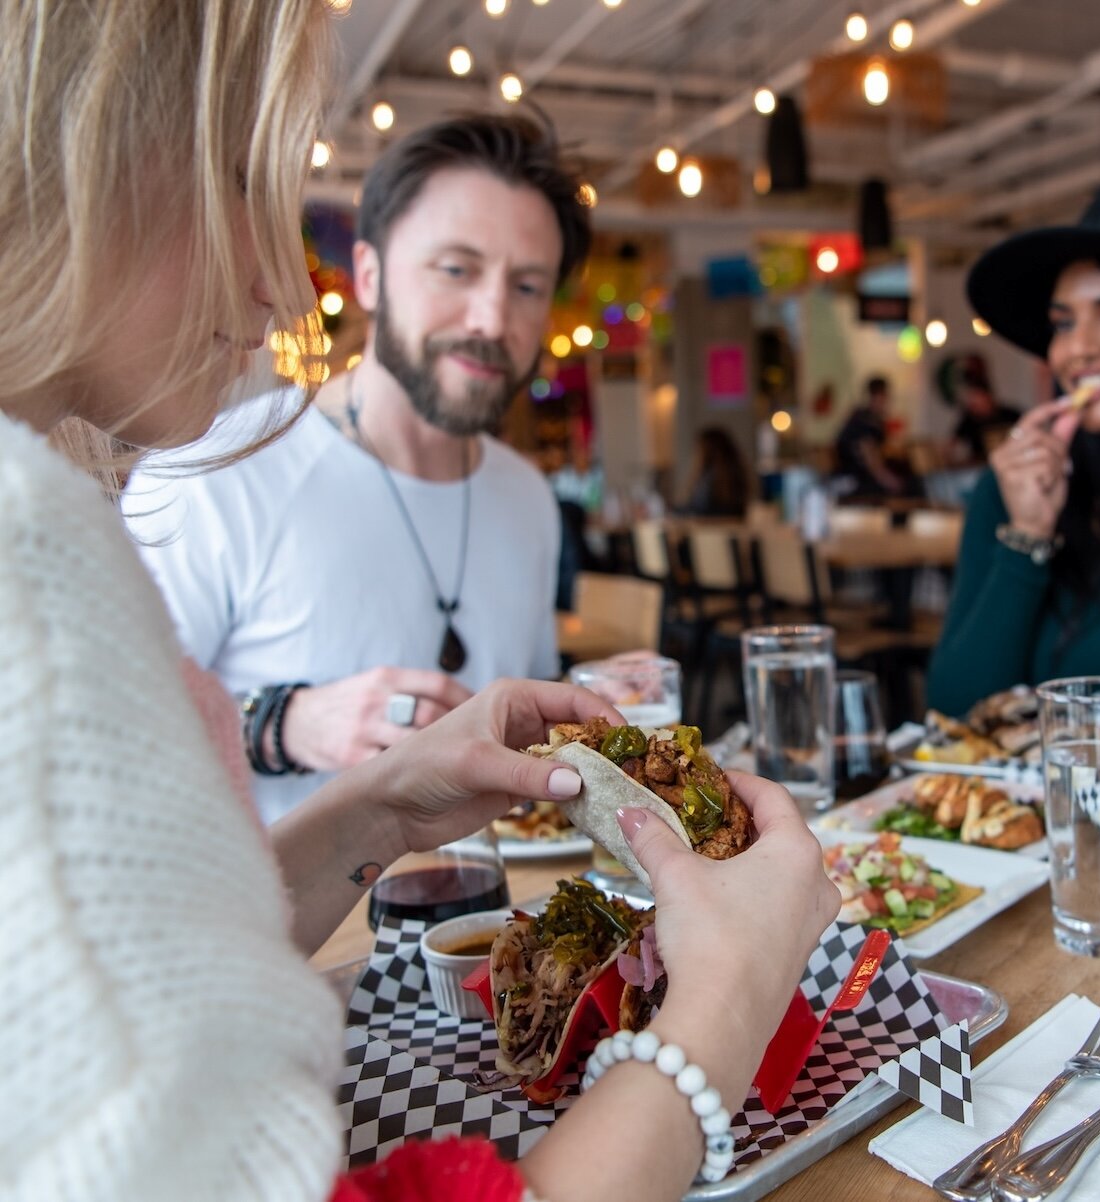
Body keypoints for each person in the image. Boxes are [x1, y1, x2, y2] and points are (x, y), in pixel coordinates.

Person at [1, 5, 840, 1202]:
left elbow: (164, 941)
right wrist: (728, 997)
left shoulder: (524, 498)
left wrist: (378, 811)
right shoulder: (79, 553)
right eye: (237, 180)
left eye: (529, 283)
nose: (273, 282)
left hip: (459, 985)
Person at [124, 112, 589, 823]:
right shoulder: (212, 472)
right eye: (456, 269)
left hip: (493, 924)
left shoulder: (527, 497)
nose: (492, 318)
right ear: (369, 276)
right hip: (275, 929)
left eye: (527, 286)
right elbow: (106, 740)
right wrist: (288, 724)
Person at [927, 189, 1100, 714]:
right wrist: (1027, 536)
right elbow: (957, 709)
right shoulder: (1019, 487)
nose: (1077, 348)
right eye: (1063, 323)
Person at [834, 375, 909, 498]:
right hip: (854, 482)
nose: (887, 402)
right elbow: (871, 461)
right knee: (909, 487)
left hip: (858, 478)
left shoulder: (867, 419)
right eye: (886, 397)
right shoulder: (864, 422)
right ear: (877, 397)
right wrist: (892, 482)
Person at [945, 354, 1022, 465]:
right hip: (981, 467)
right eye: (972, 402)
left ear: (988, 397)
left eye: (978, 400)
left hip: (1013, 463)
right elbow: (951, 444)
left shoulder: (1010, 414)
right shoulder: (969, 419)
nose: (975, 405)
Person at [681, 426, 749, 518]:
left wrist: (679, 512)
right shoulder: (737, 472)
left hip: (711, 527)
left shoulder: (709, 477)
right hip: (731, 527)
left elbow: (700, 509)